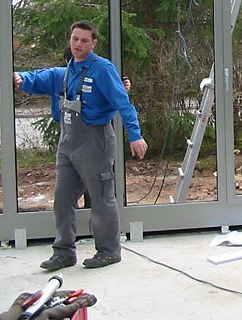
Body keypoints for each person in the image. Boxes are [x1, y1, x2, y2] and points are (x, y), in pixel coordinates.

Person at [13, 20, 148, 270]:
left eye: (84, 40)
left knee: (101, 198)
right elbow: (41, 77)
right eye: (75, 39)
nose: (78, 44)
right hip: (68, 145)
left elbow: (123, 103)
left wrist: (135, 134)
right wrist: (22, 78)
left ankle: (108, 250)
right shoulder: (67, 71)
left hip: (95, 142)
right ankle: (64, 252)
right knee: (62, 199)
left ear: (93, 43)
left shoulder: (102, 69)